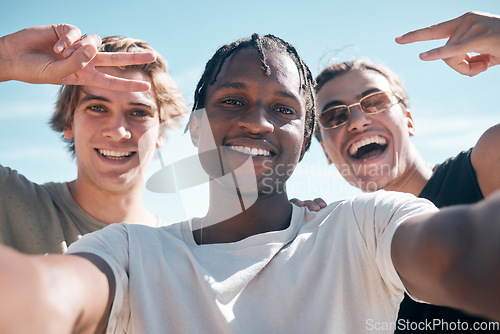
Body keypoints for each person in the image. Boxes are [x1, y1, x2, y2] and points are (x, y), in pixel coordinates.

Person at [1, 28, 500, 334]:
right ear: (195, 129)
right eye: (233, 101)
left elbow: (464, 251)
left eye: (283, 110)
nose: (259, 123)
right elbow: (47, 294)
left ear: (306, 142)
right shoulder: (130, 252)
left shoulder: (364, 228)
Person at [314, 11, 500, 332]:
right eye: (334, 117)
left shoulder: (487, 164)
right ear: (327, 152)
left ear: (409, 120)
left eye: (374, 101)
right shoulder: (347, 252)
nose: (358, 121)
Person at [0, 24, 187, 254]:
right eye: (97, 108)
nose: (118, 131)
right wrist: (5, 58)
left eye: (139, 112)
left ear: (161, 132)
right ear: (68, 123)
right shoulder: (11, 204)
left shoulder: (182, 252)